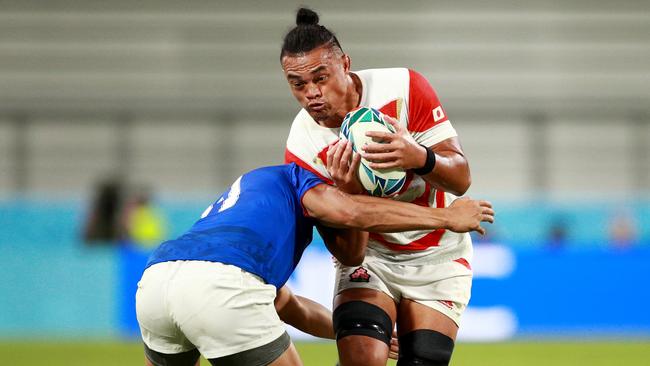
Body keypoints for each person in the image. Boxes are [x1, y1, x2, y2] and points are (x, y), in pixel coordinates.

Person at [136, 163, 493, 366]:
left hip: (157, 281)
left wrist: (360, 332)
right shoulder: (301, 178)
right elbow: (353, 212)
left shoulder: (252, 193)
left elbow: (289, 306)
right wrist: (445, 217)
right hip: (219, 286)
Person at [282, 8, 475, 366]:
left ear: (345, 64)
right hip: (372, 258)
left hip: (438, 254)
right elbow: (350, 254)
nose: (311, 94)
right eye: (298, 84)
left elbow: (461, 178)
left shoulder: (403, 87)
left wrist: (419, 156)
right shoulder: (304, 147)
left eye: (320, 78)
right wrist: (353, 192)